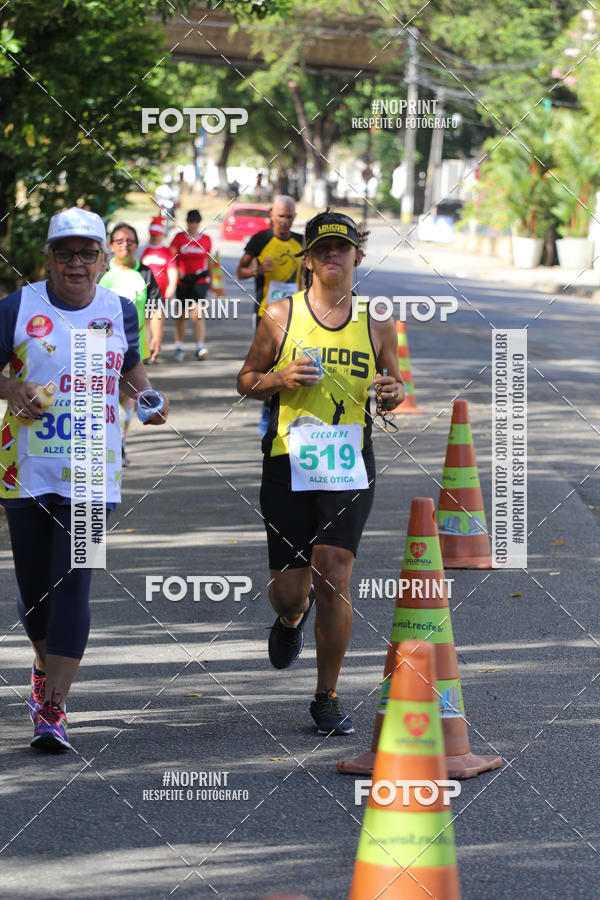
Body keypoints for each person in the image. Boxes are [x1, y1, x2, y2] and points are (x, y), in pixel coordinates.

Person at [0, 207, 169, 752]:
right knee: (36, 593)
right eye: (65, 252)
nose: (77, 262)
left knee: (74, 580)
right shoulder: (16, 307)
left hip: (95, 469)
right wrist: (10, 389)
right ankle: (44, 669)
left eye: (87, 253)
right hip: (25, 468)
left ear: (104, 259)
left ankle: (53, 707)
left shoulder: (118, 308)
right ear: (48, 257)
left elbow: (130, 367)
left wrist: (144, 396)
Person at [237, 211, 404, 736]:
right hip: (288, 458)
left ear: (357, 255)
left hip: (348, 460)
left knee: (334, 571)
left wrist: (394, 392)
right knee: (291, 591)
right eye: (323, 249)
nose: (334, 255)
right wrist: (277, 377)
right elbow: (245, 379)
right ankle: (290, 620)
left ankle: (326, 695)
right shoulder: (281, 314)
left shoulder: (376, 319)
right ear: (307, 259)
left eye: (343, 247)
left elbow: (394, 382)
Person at [235, 195, 303, 436]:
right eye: (281, 216)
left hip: (296, 314)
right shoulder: (260, 240)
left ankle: (288, 413)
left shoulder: (301, 242)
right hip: (266, 314)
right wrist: (258, 269)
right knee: (268, 365)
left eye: (290, 217)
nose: (285, 221)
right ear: (271, 214)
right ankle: (267, 413)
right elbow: (240, 271)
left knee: (291, 362)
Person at [99, 223, 163, 464]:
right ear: (111, 245)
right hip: (100, 347)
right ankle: (105, 442)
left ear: (137, 244)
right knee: (105, 397)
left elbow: (155, 308)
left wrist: (156, 337)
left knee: (127, 398)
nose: (125, 244)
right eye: (119, 240)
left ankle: (120, 445)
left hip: (133, 347)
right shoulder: (101, 272)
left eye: (130, 240)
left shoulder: (145, 273)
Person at [169, 209, 213, 362]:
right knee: (181, 316)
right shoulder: (179, 238)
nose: (193, 224)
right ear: (187, 222)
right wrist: (175, 272)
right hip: (182, 281)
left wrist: (213, 282)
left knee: (197, 314)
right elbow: (171, 256)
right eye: (190, 221)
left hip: (199, 281)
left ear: (199, 222)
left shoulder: (206, 239)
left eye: (196, 221)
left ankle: (200, 346)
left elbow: (210, 261)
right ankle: (179, 347)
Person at [140, 216, 178, 363]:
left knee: (157, 321)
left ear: (161, 234)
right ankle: (145, 352)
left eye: (158, 234)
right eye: (153, 234)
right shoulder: (143, 250)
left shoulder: (167, 251)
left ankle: (155, 350)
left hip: (160, 293)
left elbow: (172, 270)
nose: (155, 237)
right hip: (144, 292)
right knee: (145, 322)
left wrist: (172, 286)